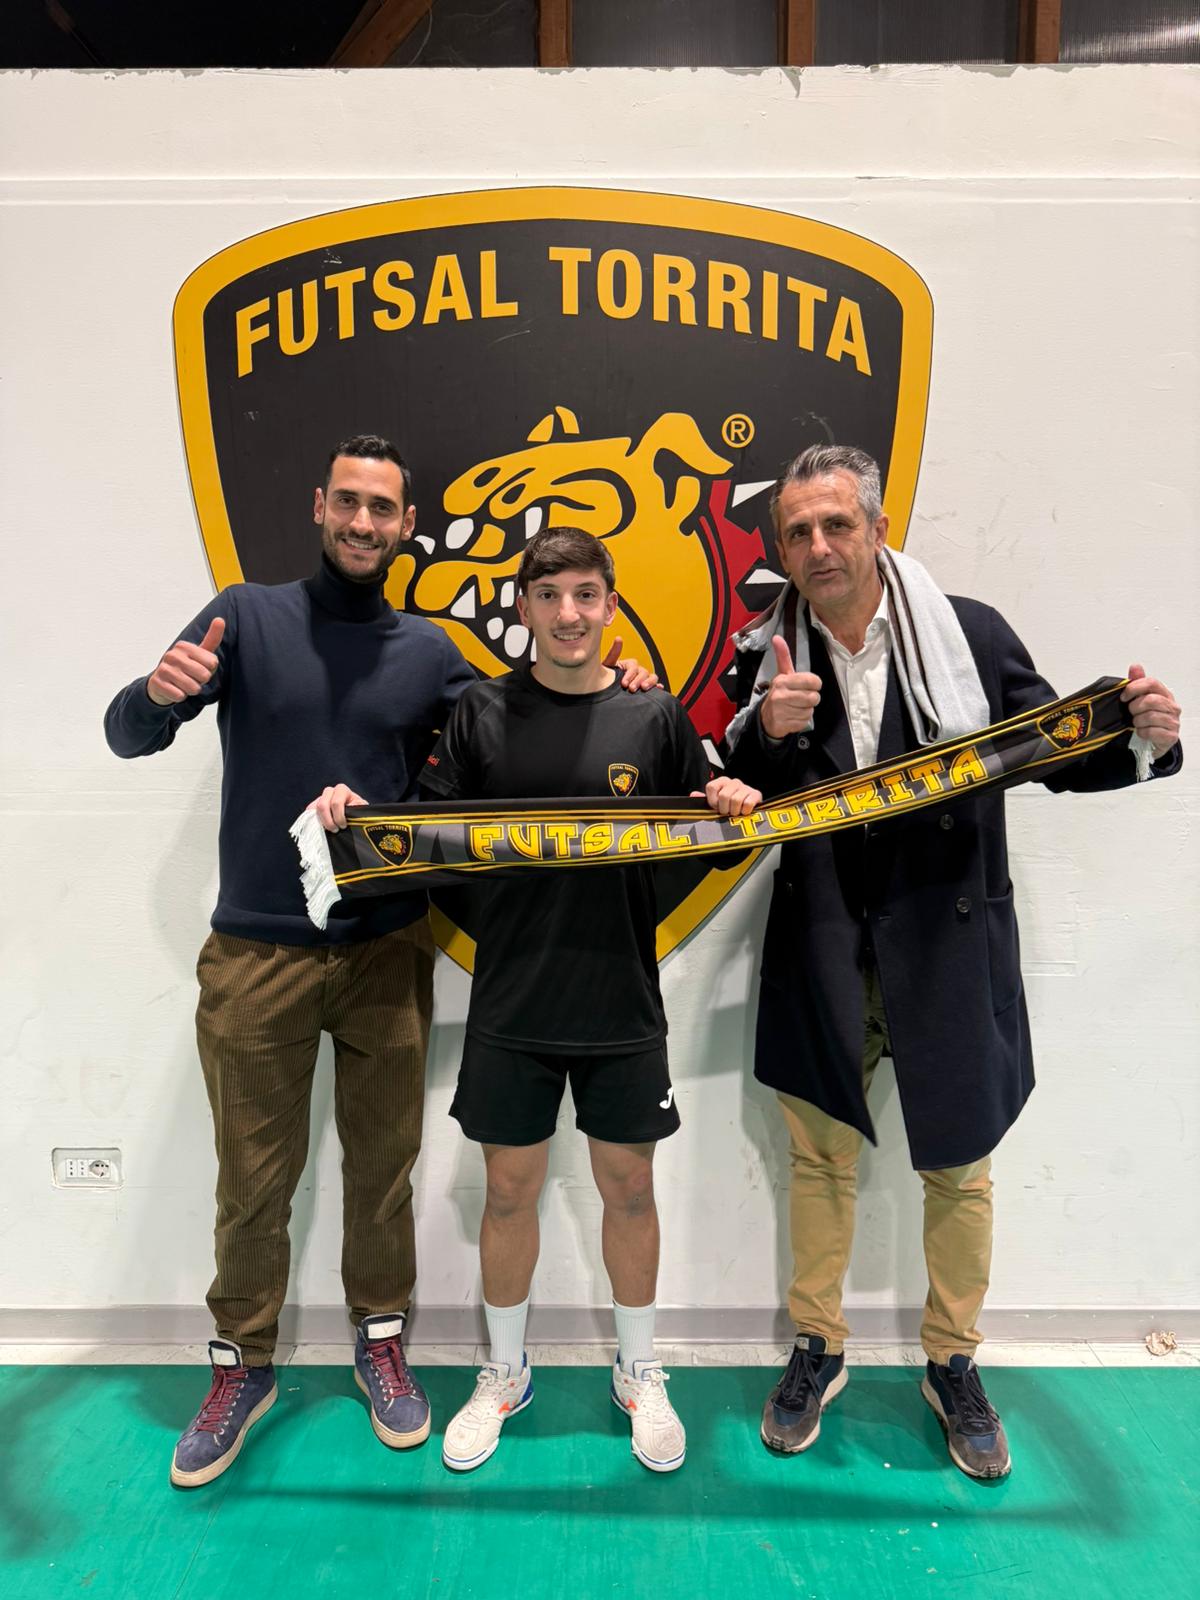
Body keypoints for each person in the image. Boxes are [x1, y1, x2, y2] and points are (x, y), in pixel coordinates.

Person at [724, 443, 1182, 1480]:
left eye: (837, 524)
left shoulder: (968, 634)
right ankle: (818, 1345)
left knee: (960, 1167)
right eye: (797, 532)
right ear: (782, 549)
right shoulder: (768, 655)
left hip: (947, 938)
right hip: (823, 943)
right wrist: (769, 738)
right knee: (819, 1159)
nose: (818, 546)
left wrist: (1144, 739)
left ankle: (953, 1360)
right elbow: (737, 797)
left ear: (879, 527)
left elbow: (1056, 755)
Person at [314, 526, 759, 1474]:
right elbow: (422, 838)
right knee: (509, 1192)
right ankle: (506, 1372)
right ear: (524, 607)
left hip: (622, 1001)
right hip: (511, 1001)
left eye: (586, 595)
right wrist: (358, 818)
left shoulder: (653, 713)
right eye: (550, 596)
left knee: (629, 1189)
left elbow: (711, 836)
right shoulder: (480, 713)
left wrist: (727, 803)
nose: (568, 614)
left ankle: (638, 1372)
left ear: (610, 604)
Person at [105, 434, 478, 1487]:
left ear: (407, 526)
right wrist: (152, 694)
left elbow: (519, 737)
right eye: (348, 501)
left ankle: (380, 1341)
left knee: (383, 1170)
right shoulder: (247, 616)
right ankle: (244, 1363)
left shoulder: (431, 652)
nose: (363, 522)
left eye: (383, 508)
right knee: (250, 1179)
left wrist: (617, 679)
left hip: (387, 949)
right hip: (255, 950)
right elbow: (128, 734)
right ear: (319, 505)